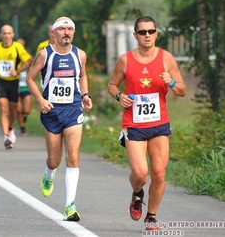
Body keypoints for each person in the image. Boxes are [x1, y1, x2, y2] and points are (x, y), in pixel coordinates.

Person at [107, 16, 187, 230]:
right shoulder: (125, 60)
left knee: (159, 173)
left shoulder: (166, 58)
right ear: (135, 36)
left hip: (159, 123)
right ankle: (137, 193)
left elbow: (182, 90)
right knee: (141, 173)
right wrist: (119, 96)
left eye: (151, 31)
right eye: (142, 32)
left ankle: (151, 217)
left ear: (156, 33)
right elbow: (112, 85)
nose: (147, 35)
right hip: (133, 124)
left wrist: (170, 82)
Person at [26, 17, 92, 221]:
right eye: (62, 29)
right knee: (55, 160)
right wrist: (40, 99)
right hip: (51, 111)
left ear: (73, 32)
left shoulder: (79, 54)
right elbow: (30, 78)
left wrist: (86, 95)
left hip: (73, 110)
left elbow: (82, 76)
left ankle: (70, 206)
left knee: (73, 157)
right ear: (54, 33)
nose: (66, 32)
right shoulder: (45, 54)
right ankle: (49, 172)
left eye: (69, 29)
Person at [0, 25, 32, 149]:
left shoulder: (18, 47)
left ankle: (10, 127)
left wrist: (18, 71)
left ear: (12, 35)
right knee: (3, 109)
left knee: (13, 111)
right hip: (0, 81)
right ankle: (6, 137)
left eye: (9, 33)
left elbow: (28, 61)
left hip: (13, 82)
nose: (6, 36)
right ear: (0, 35)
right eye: (4, 33)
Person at [15, 38, 32, 136]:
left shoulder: (27, 57)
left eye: (22, 45)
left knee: (26, 110)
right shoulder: (11, 56)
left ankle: (24, 115)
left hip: (25, 86)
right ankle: (22, 128)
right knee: (18, 109)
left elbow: (31, 62)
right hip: (15, 87)